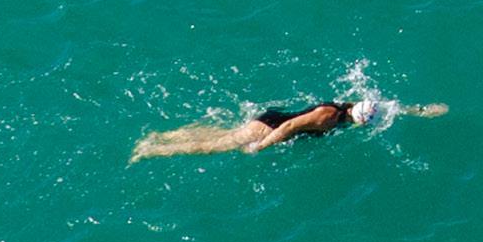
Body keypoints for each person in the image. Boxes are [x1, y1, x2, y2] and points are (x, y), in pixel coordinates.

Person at [131, 97, 445, 160]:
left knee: (221, 133)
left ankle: (161, 136)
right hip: (268, 128)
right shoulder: (327, 119)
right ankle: (151, 149)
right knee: (214, 146)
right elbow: (291, 126)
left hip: (269, 118)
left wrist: (422, 111)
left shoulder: (351, 104)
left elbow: (390, 107)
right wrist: (261, 146)